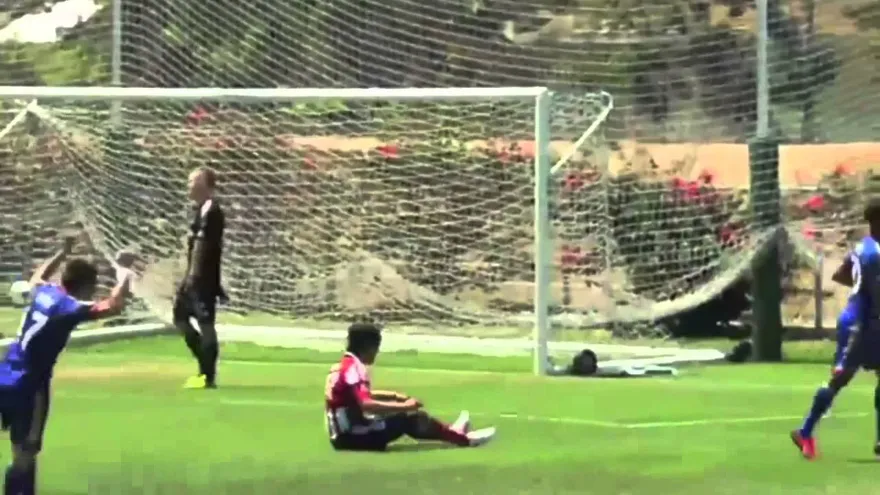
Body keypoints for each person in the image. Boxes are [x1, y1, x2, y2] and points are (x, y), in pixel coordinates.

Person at [0, 236, 133, 494]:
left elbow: (37, 277)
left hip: (4, 373)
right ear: (84, 287)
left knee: (24, 454)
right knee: (26, 453)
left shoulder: (44, 292)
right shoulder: (68, 308)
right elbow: (113, 306)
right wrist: (124, 276)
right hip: (30, 385)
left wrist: (62, 253)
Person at [791, 198, 880, 460]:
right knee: (840, 378)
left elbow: (843, 275)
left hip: (868, 318)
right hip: (861, 323)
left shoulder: (864, 249)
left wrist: (858, 284)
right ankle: (805, 431)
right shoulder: (872, 254)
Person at [325, 323, 496, 451]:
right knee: (409, 416)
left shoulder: (342, 366)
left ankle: (452, 432)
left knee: (404, 416)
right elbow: (366, 404)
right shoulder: (355, 369)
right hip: (353, 438)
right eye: (376, 348)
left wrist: (394, 396)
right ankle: (463, 439)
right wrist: (405, 406)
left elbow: (355, 398)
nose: (377, 353)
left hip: (343, 436)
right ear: (368, 347)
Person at [174, 167, 227, 389]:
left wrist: (198, 279)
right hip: (195, 278)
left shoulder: (212, 211)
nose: (188, 185)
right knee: (179, 318)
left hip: (200, 280)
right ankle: (204, 366)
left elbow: (205, 249)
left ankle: (207, 375)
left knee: (206, 324)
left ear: (205, 185)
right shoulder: (201, 210)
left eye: (192, 181)